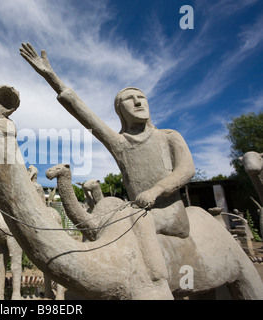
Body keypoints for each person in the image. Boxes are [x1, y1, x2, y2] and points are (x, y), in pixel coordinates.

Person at [20, 42, 195, 291]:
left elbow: (186, 170)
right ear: (120, 111)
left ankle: (156, 283)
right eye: (129, 99)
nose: (138, 102)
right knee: (110, 209)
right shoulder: (121, 144)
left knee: (138, 220)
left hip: (170, 214)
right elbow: (83, 113)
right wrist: (51, 77)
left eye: (141, 97)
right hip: (138, 211)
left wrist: (156, 191)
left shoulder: (169, 136)